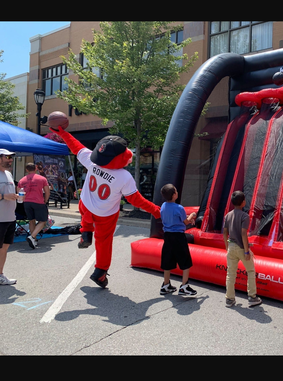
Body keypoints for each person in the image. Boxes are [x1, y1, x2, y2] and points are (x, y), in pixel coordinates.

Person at [50, 125, 161, 288]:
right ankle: (100, 272)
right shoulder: (124, 176)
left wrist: (63, 133)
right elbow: (136, 200)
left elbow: (76, 146)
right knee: (103, 242)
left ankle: (86, 232)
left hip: (86, 206)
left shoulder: (92, 162)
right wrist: (156, 211)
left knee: (85, 208)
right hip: (105, 214)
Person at [223, 190, 262, 308]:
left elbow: (225, 233)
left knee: (230, 273)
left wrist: (227, 246)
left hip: (231, 246)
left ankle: (229, 299)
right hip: (241, 247)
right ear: (243, 202)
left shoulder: (228, 215)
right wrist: (246, 251)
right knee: (250, 271)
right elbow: (244, 234)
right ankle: (252, 297)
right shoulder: (245, 216)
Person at [159, 184, 197, 296]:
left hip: (167, 236)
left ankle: (165, 285)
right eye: (176, 190)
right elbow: (186, 222)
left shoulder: (163, 206)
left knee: (167, 260)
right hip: (178, 236)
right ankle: (184, 285)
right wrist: (192, 215)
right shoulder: (179, 208)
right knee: (185, 260)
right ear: (174, 194)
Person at [17, 163, 50, 249]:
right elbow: (47, 191)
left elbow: (19, 193)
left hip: (27, 202)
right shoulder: (42, 179)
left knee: (31, 220)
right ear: (35, 168)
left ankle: (34, 240)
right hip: (38, 202)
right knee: (43, 221)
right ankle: (32, 236)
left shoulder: (21, 180)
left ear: (26, 170)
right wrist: (45, 200)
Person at [0, 149, 19, 285]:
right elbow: (4, 195)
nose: (10, 159)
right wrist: (3, 196)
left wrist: (15, 196)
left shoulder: (8, 174)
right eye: (7, 157)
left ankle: (0, 275)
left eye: (11, 157)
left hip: (10, 217)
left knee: (5, 247)